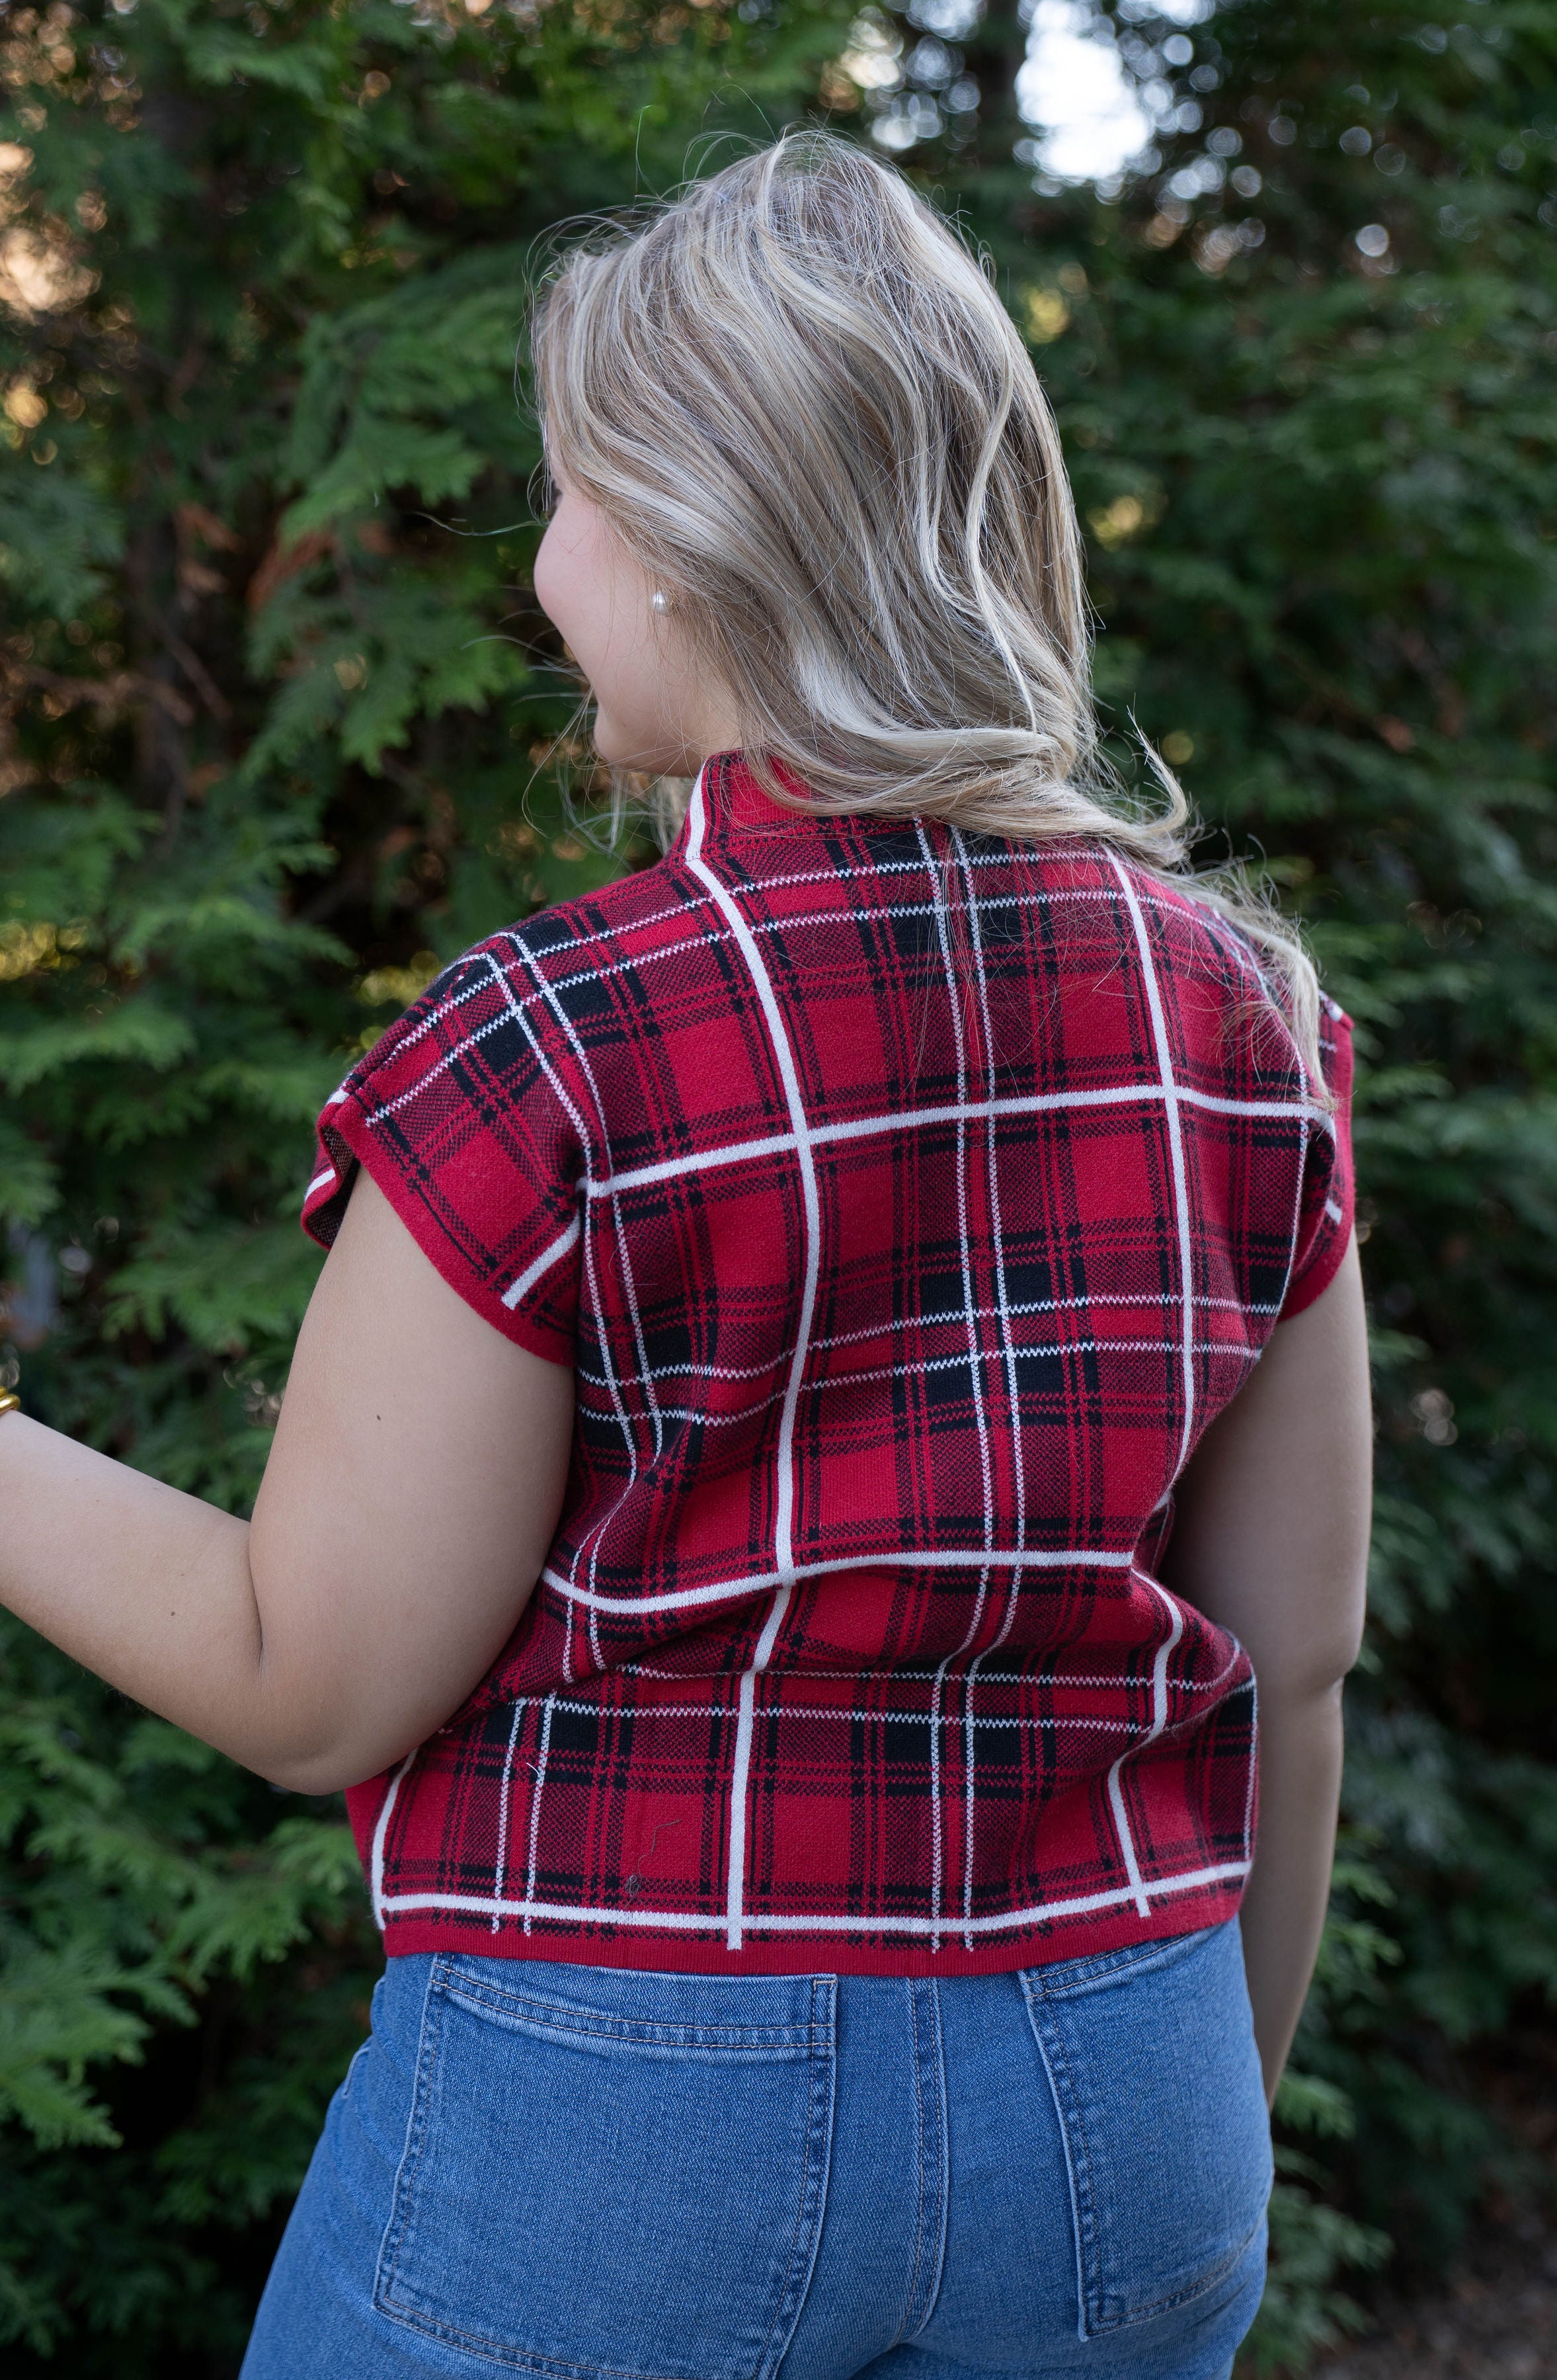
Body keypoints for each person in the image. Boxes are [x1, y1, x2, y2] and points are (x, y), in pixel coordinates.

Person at [0, 134, 1370, 2380]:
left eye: (562, 493)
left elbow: (303, 1676)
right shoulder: (1240, 1014)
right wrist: (1200, 2126)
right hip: (1120, 2094)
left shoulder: (552, 1037)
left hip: (620, 2124)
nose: (541, 558)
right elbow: (1289, 1662)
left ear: (680, 540)